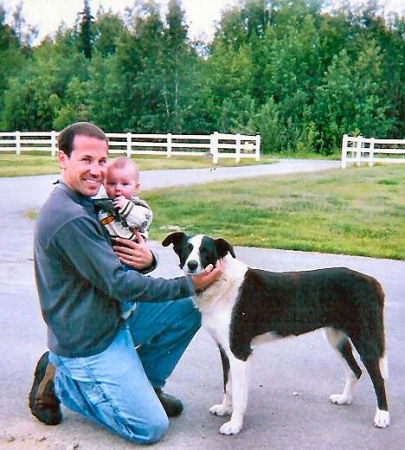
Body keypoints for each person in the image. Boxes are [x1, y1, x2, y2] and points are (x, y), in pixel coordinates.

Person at [28, 121, 223, 445]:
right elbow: (120, 283)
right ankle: (61, 377)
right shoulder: (70, 216)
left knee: (190, 308)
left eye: (101, 161)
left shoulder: (90, 202)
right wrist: (191, 284)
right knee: (149, 428)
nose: (96, 170)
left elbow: (127, 257)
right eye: (86, 159)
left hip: (116, 315)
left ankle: (148, 385)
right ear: (62, 158)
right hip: (89, 341)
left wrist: (148, 261)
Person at [97, 156, 153, 319]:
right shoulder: (104, 204)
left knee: (126, 281)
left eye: (125, 184)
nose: (118, 189)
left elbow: (141, 220)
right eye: (112, 183)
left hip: (130, 253)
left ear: (136, 187)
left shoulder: (138, 207)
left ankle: (126, 308)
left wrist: (126, 208)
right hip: (112, 253)